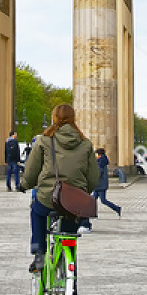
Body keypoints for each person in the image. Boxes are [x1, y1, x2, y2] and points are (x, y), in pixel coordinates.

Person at [22, 103, 95, 274]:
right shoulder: (85, 144)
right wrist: (84, 192)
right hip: (74, 201)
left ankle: (39, 253)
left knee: (37, 212)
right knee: (69, 236)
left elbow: (32, 169)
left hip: (49, 197)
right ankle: (70, 276)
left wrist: (25, 184)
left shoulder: (44, 140)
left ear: (54, 118)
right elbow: (93, 176)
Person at [91, 147, 122, 219]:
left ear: (99, 154)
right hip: (99, 184)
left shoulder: (100, 162)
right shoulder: (102, 161)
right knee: (93, 200)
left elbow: (98, 173)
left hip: (100, 185)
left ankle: (117, 208)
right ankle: (93, 214)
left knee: (103, 200)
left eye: (96, 154)